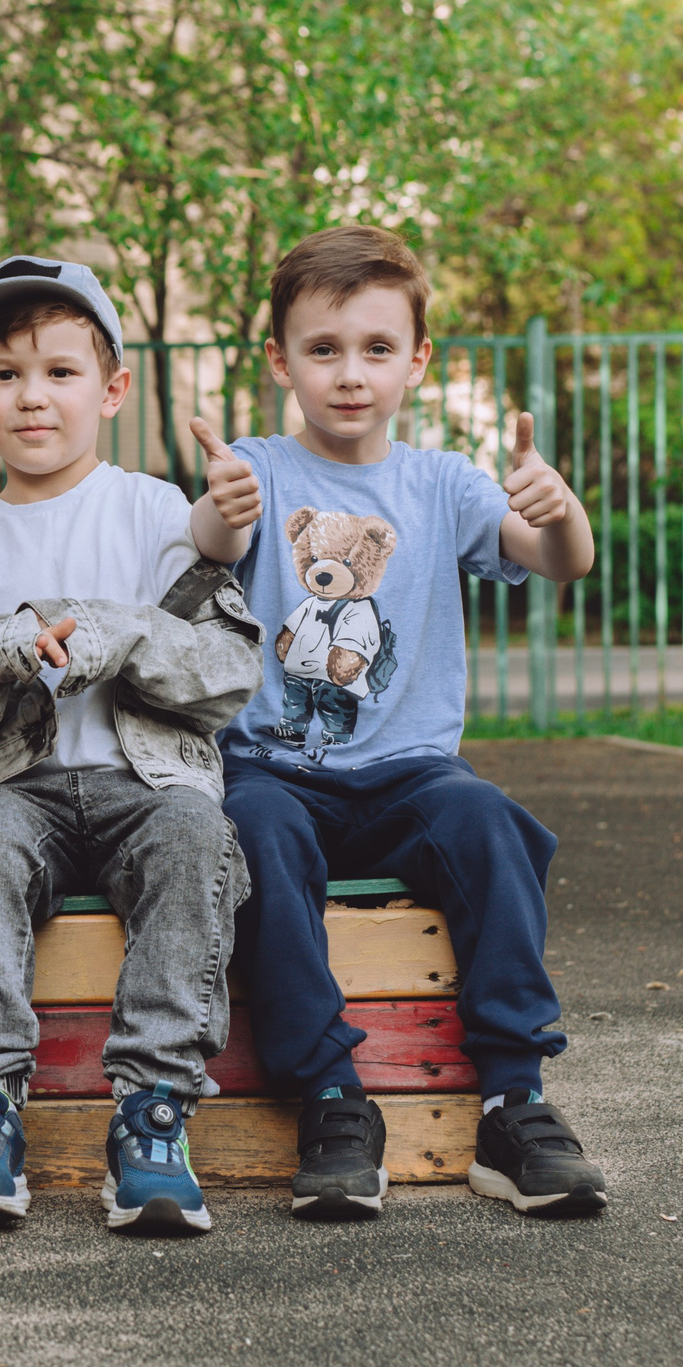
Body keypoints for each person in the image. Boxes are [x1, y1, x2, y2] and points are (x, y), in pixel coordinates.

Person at [188, 224, 609, 1221]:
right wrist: (221, 510)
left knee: (488, 823)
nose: (348, 374)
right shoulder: (255, 469)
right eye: (322, 349)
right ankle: (330, 1098)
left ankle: (515, 1099)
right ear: (280, 360)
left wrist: (560, 510)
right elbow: (210, 543)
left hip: (407, 774)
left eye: (376, 349)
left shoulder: (444, 484)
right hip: (271, 770)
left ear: (417, 361)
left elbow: (560, 564)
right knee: (248, 836)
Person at [0, 257, 262, 1236]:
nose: (32, 396)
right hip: (18, 784)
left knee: (194, 838)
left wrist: (116, 634)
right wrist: (8, 645)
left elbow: (225, 674)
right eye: (5, 375)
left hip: (149, 777)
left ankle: (153, 1115)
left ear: (112, 389)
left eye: (59, 371)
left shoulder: (160, 515)